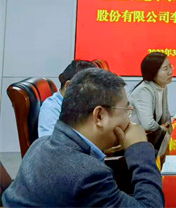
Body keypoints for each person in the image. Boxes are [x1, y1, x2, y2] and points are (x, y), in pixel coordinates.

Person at [2, 68, 164, 207]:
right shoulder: (88, 175)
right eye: (126, 111)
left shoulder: (39, 145)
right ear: (99, 116)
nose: (129, 120)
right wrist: (139, 148)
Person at [38, 59, 96, 137]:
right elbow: (50, 142)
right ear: (68, 86)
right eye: (88, 89)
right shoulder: (51, 109)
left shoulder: (77, 104)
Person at [129, 52, 173, 148]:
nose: (170, 71)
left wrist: (169, 130)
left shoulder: (162, 87)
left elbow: (166, 115)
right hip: (136, 142)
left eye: (170, 66)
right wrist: (162, 129)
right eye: (165, 69)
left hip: (151, 139)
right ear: (153, 72)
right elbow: (148, 124)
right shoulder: (144, 90)